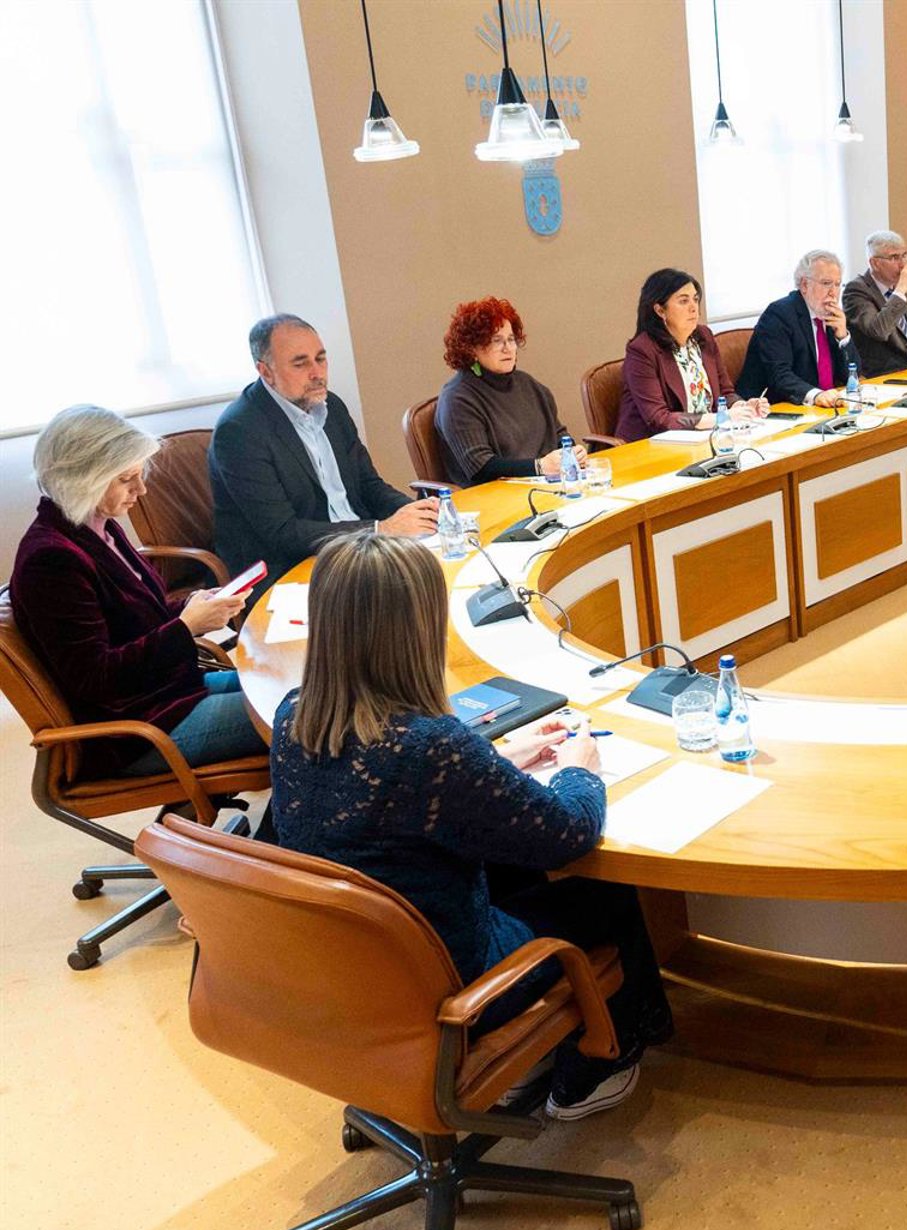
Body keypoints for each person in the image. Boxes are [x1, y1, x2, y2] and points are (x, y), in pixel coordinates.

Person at [270, 531, 674, 1120]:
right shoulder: (431, 749)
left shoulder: (294, 715)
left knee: (507, 862)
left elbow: (392, 801)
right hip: (445, 979)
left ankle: (521, 1064)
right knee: (601, 890)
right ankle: (593, 1068)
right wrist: (578, 768)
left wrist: (497, 761)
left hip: (351, 970)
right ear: (417, 628)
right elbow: (570, 833)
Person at [11, 406, 262, 777]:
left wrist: (188, 607)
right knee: (308, 713)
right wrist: (186, 627)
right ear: (82, 478)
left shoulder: (97, 527)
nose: (141, 490)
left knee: (298, 686)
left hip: (169, 693)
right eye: (126, 479)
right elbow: (96, 678)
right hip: (135, 732)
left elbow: (133, 617)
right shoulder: (51, 560)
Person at [210, 314, 437, 589]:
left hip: (358, 546)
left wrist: (419, 513)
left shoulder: (333, 408)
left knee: (438, 570)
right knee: (409, 592)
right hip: (290, 567)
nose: (317, 373)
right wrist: (382, 530)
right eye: (300, 363)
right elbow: (282, 532)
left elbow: (369, 485)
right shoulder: (239, 431)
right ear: (265, 371)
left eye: (320, 358)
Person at [433, 296, 584, 486]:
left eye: (511, 340)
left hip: (546, 485)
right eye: (496, 341)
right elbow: (481, 467)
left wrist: (571, 452)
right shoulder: (457, 398)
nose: (508, 349)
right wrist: (539, 467)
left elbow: (558, 434)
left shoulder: (529, 385)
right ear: (471, 349)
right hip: (491, 494)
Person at [617, 268, 769, 441]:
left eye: (695, 299)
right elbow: (659, 419)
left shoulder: (704, 337)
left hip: (705, 437)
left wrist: (742, 407)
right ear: (660, 310)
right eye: (683, 301)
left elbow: (725, 392)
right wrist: (722, 418)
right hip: (651, 444)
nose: (693, 308)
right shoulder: (642, 351)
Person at [736, 250, 852, 408]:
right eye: (826, 283)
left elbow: (852, 376)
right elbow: (779, 375)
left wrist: (843, 337)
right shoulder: (779, 314)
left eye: (837, 284)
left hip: (823, 407)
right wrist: (816, 395)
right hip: (771, 408)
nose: (833, 293)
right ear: (804, 285)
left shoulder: (831, 316)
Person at [841, 231, 907, 378]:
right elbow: (878, 331)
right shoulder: (856, 290)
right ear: (874, 263)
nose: (903, 264)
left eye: (904, 255)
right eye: (894, 257)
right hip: (886, 376)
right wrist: (900, 291)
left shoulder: (895, 288)